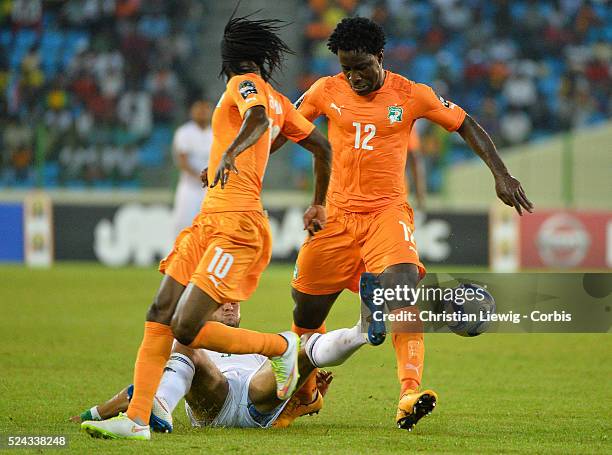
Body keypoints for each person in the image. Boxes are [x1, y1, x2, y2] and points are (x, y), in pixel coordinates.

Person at [272, 17, 533, 430]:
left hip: (386, 215)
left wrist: (501, 174)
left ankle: (409, 392)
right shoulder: (325, 90)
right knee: (305, 314)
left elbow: (464, 123)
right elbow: (288, 126)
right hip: (336, 219)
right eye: (347, 69)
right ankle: (305, 395)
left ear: (380, 56)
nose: (355, 77)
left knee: (402, 292)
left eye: (362, 66)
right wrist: (248, 161)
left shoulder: (411, 94)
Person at [81, 12, 332, 440]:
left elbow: (254, 121)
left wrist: (232, 153)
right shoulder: (282, 103)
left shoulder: (243, 85)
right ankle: (138, 419)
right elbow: (322, 146)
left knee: (185, 327)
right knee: (159, 313)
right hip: (208, 220)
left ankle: (282, 347)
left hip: (235, 223)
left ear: (231, 57)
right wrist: (316, 203)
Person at [76, 303, 369, 431]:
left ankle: (362, 332)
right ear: (207, 308)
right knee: (186, 343)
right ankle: (161, 405)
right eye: (222, 303)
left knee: (299, 348)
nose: (230, 306)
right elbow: (137, 391)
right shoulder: (198, 345)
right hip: (215, 402)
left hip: (258, 404)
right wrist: (92, 414)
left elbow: (301, 403)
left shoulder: (257, 348)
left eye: (235, 304)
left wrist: (311, 393)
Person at [171, 99, 213, 235]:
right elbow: (182, 161)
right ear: (192, 112)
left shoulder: (216, 133)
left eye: (205, 109)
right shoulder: (184, 132)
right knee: (183, 224)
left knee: (209, 225)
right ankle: (181, 255)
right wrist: (199, 177)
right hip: (189, 187)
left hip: (210, 188)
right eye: (198, 109)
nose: (202, 113)